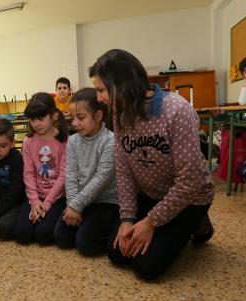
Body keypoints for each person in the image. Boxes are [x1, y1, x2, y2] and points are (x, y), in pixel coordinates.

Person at [89, 49, 215, 280]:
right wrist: (127, 219)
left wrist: (151, 222)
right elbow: (124, 171)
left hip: (190, 199)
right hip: (150, 194)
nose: (99, 98)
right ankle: (172, 224)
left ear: (123, 83)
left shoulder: (177, 110)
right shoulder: (119, 114)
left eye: (101, 90)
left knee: (146, 267)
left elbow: (190, 181)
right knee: (117, 253)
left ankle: (198, 223)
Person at [53, 88, 119, 256]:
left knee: (86, 245)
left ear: (98, 116)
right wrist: (72, 205)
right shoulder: (73, 140)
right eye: (72, 117)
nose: (74, 123)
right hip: (82, 200)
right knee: (61, 237)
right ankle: (86, 222)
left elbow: (101, 179)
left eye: (80, 118)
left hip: (106, 202)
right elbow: (71, 175)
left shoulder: (110, 141)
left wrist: (77, 206)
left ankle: (111, 226)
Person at [14, 92, 68, 244]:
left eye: (41, 118)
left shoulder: (64, 140)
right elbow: (28, 174)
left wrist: (47, 204)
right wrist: (34, 202)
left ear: (54, 115)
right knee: (22, 234)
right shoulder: (28, 141)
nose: (36, 123)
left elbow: (63, 176)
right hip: (35, 195)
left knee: (43, 235)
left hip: (56, 197)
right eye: (32, 119)